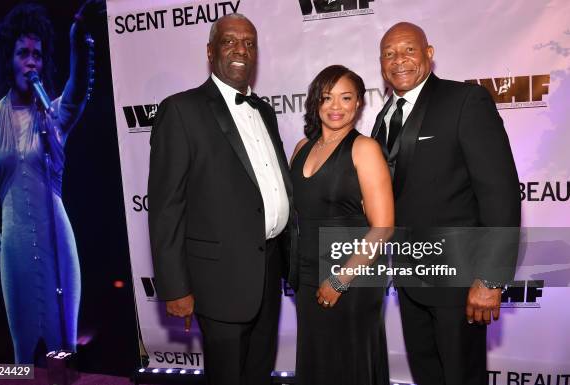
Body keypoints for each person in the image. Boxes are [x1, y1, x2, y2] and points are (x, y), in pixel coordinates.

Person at [372, 22, 521, 384]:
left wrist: (491, 278)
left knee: (460, 376)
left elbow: (500, 193)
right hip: (409, 278)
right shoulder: (384, 117)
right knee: (428, 374)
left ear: (429, 54)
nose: (399, 60)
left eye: (408, 50)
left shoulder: (465, 101)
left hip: (460, 281)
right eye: (389, 54)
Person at [147, 13, 292, 385]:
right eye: (230, 41)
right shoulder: (181, 111)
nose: (241, 49)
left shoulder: (264, 111)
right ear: (211, 51)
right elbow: (166, 207)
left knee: (258, 370)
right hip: (218, 278)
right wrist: (176, 287)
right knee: (227, 376)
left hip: (268, 270)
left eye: (249, 43)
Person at [0, 3, 96, 364]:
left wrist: (78, 37)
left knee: (64, 351)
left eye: (37, 54)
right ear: (8, 58)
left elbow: (79, 86)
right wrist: (0, 244)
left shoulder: (54, 115)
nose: (31, 61)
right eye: (23, 53)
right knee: (24, 355)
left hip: (59, 245)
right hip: (15, 248)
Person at [289, 65, 394, 385]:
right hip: (307, 273)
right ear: (315, 102)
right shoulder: (301, 148)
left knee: (349, 364)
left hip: (351, 276)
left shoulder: (365, 149)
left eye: (346, 98)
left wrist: (339, 280)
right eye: (327, 98)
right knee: (317, 362)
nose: (336, 107)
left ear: (359, 103)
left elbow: (383, 226)